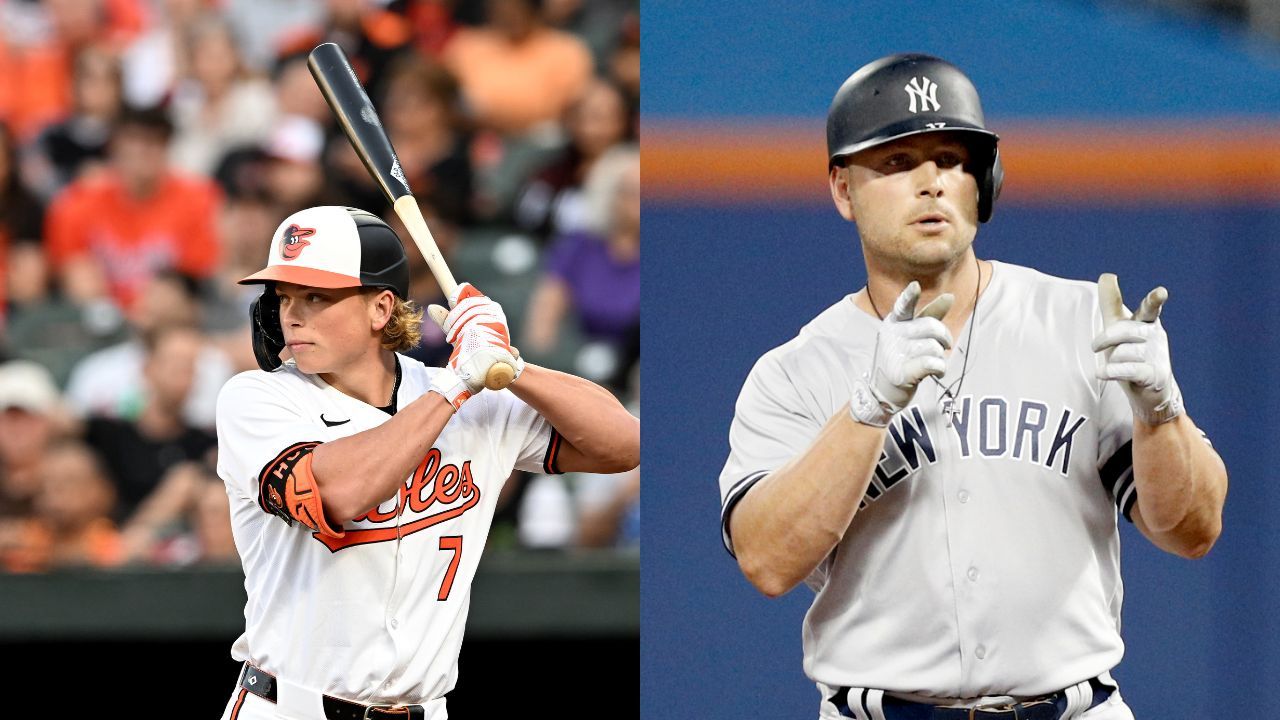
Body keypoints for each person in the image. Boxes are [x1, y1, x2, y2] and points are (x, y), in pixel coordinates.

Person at [717, 54, 1228, 720]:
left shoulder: (1080, 322)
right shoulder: (795, 371)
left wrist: (1163, 413)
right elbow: (766, 561)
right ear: (843, 189)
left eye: (952, 160)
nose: (931, 183)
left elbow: (1192, 531)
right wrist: (867, 410)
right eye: (898, 163)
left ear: (985, 182)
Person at [216, 205, 639, 719]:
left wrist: (512, 364)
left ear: (380, 309)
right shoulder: (257, 398)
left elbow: (624, 444)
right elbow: (341, 494)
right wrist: (458, 385)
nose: (292, 315)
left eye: (316, 297)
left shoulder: (463, 394)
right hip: (289, 707)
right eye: (284, 297)